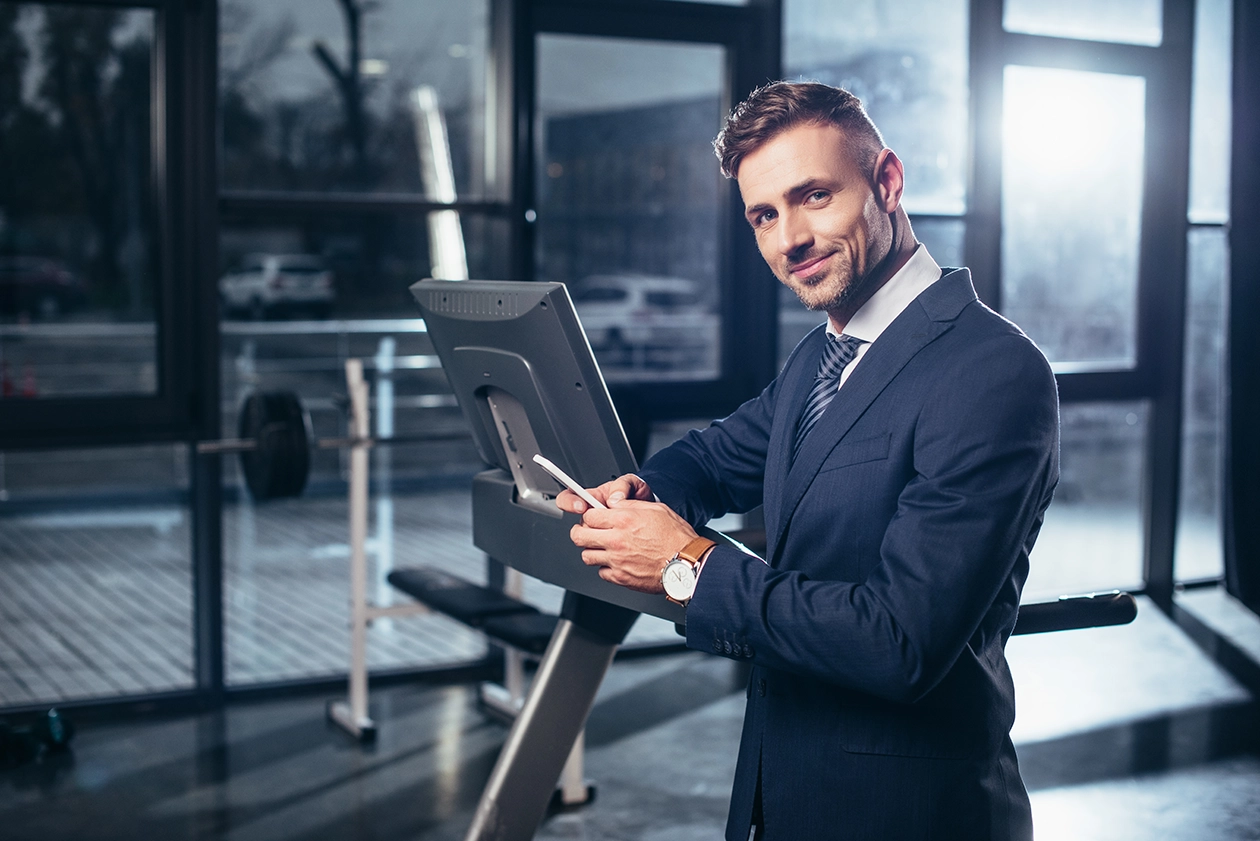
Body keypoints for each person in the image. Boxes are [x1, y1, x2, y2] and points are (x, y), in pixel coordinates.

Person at [556, 81, 1059, 841]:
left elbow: (900, 640)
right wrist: (639, 493)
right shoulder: (824, 358)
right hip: (781, 794)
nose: (788, 238)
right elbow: (715, 457)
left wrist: (686, 562)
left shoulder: (992, 371)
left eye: (814, 196)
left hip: (908, 815)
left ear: (887, 182)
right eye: (764, 214)